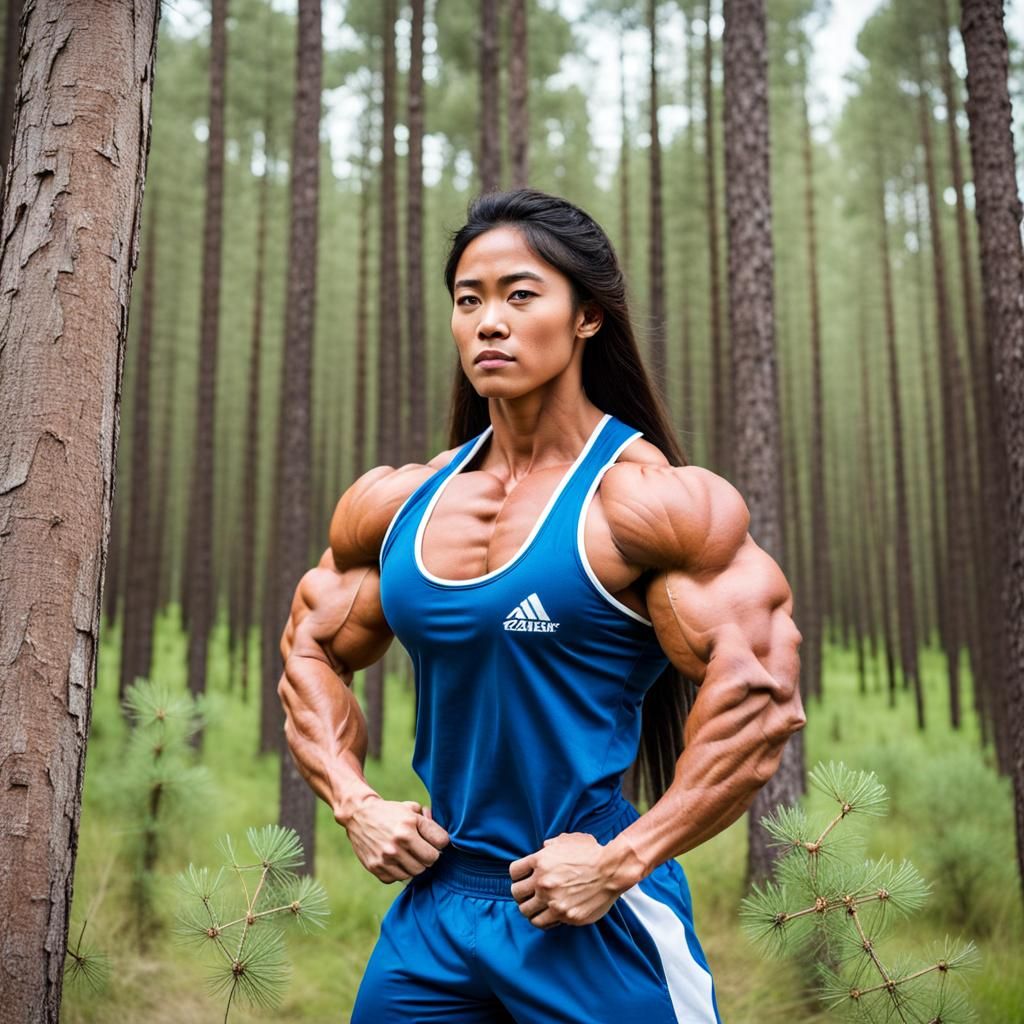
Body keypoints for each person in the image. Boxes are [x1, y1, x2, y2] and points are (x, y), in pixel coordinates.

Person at [278, 188, 805, 1023]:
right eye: (469, 299)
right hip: (437, 915)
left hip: (591, 907)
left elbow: (761, 697)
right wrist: (355, 801)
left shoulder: (644, 502)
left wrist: (621, 861)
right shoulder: (399, 502)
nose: (491, 321)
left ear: (586, 316)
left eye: (521, 295)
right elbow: (311, 647)